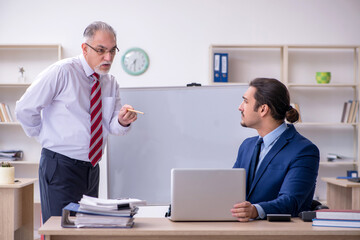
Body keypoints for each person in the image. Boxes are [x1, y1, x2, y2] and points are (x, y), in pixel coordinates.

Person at [15, 21, 138, 223]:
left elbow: (112, 126)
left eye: (112, 51)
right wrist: (44, 135)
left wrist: (123, 121)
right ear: (84, 48)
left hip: (91, 169)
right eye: (101, 50)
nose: (108, 57)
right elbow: (24, 109)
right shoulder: (62, 72)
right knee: (60, 230)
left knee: (86, 229)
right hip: (60, 166)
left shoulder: (110, 82)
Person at [231, 78, 319, 222]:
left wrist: (255, 210)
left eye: (246, 101)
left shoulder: (304, 150)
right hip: (242, 228)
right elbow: (231, 188)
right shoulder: (246, 146)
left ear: (263, 109)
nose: (240, 107)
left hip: (278, 232)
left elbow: (291, 201)